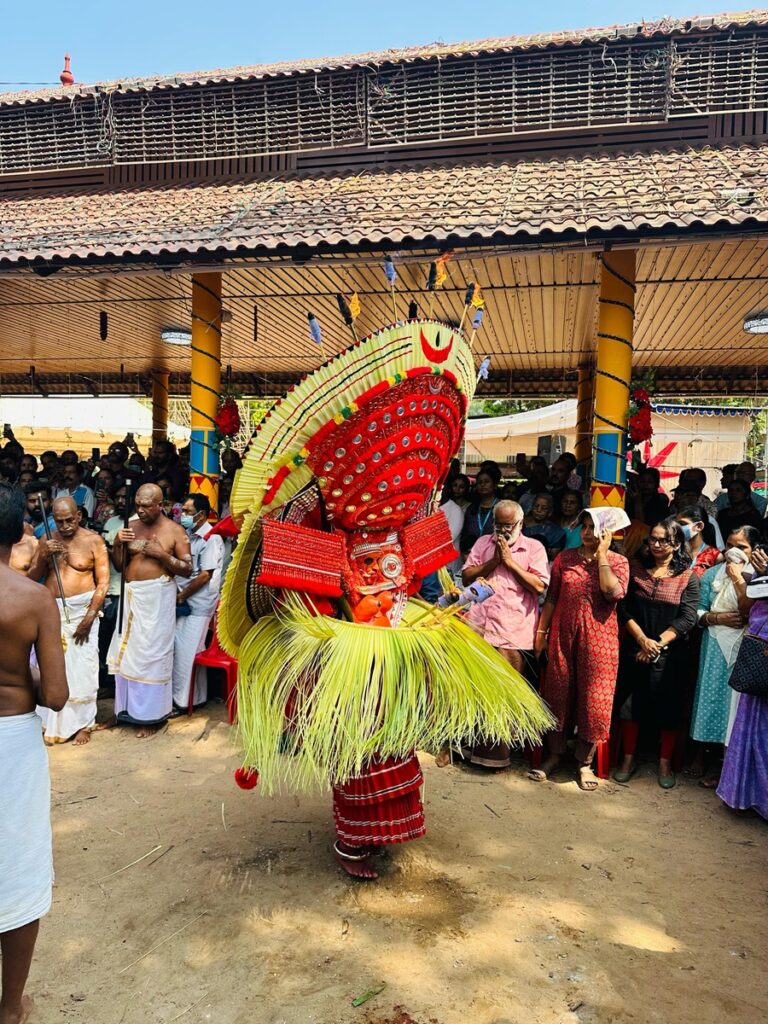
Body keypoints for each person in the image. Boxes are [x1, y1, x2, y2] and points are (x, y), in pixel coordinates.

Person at [0, 481, 68, 1024]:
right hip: (12, 741)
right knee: (17, 865)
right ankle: (10, 1006)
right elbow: (57, 696)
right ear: (20, 532)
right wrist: (25, 674)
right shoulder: (32, 598)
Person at [531, 509, 629, 790]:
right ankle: (554, 755)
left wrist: (603, 555)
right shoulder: (565, 558)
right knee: (557, 693)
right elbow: (552, 598)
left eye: (593, 528)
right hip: (562, 635)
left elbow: (613, 593)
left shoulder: (619, 562)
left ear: (606, 532)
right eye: (584, 527)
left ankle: (584, 763)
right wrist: (541, 633)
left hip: (600, 640)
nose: (587, 533)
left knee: (594, 700)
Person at [460, 500, 550, 767]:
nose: (502, 530)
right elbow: (467, 577)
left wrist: (509, 563)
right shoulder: (482, 543)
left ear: (520, 523)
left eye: (508, 525)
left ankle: (495, 757)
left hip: (512, 632)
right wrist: (494, 562)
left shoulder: (533, 548)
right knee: (476, 691)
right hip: (479, 629)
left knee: (503, 694)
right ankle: (470, 750)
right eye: (498, 524)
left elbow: (539, 586)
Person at [614, 518, 699, 788]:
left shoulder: (687, 577)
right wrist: (642, 640)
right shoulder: (635, 569)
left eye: (664, 540)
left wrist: (656, 645)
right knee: (629, 705)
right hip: (635, 646)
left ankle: (664, 763)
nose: (657, 544)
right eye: (653, 538)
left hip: (670, 653)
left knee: (669, 706)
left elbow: (688, 618)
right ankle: (628, 759)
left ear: (677, 544)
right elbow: (623, 608)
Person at [106, 484, 191, 736]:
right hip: (131, 598)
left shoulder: (175, 531)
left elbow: (188, 569)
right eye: (137, 505)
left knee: (152, 656)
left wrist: (161, 555)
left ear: (160, 505)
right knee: (126, 654)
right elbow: (120, 567)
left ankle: (152, 717)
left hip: (157, 602)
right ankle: (125, 711)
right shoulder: (130, 526)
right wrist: (118, 545)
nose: (140, 510)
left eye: (146, 506)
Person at [28, 496, 109, 746]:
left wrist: (90, 616)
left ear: (79, 516)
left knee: (83, 667)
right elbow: (31, 578)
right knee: (51, 665)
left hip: (83, 611)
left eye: (69, 520)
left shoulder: (94, 541)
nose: (64, 526)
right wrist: (43, 555)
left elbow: (103, 583)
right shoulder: (47, 539)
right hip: (52, 611)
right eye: (59, 521)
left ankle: (84, 723)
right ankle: (50, 721)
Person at [687, 527, 758, 786]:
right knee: (709, 696)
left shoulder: (758, 577)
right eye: (729, 545)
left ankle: (727, 767)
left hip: (744, 645)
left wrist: (738, 577)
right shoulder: (712, 574)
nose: (734, 551)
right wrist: (716, 618)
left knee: (735, 705)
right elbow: (697, 611)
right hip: (714, 643)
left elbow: (751, 613)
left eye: (742, 547)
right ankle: (700, 755)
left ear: (754, 550)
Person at [716, 547, 768, 819]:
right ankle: (748, 796)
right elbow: (748, 607)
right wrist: (758, 576)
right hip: (759, 653)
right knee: (752, 727)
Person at [171, 494, 224, 711]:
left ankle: (182, 702)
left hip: (198, 604)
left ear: (201, 515)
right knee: (188, 651)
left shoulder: (211, 538)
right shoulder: (188, 536)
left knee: (186, 654)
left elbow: (205, 575)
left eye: (187, 512)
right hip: (185, 603)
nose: (182, 515)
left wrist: (182, 596)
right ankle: (197, 698)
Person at [459, 468, 499, 556]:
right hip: (472, 555)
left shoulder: (502, 507)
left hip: (494, 554)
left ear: (495, 485)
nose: (483, 485)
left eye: (487, 481)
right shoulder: (472, 508)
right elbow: (465, 533)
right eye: (479, 482)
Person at [675, 504, 722, 577]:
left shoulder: (715, 556)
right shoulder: (674, 550)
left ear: (699, 526)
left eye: (682, 524)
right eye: (677, 524)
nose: (678, 528)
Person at [523, 493, 566, 560]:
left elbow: (552, 559)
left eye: (543, 508)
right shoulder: (520, 524)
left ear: (550, 512)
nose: (539, 510)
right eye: (536, 506)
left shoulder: (556, 532)